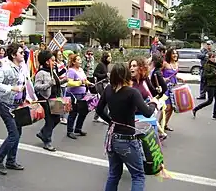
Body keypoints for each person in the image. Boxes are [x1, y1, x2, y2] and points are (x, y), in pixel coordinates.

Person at [96, 63, 158, 191]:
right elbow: (147, 112)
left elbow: (99, 110)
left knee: (113, 175)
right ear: (127, 76)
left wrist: (111, 122)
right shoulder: (132, 92)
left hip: (112, 138)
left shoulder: (108, 89)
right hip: (127, 140)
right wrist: (153, 103)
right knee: (138, 176)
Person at [0, 43, 26, 175]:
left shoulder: (22, 67)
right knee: (14, 134)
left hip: (17, 105)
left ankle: (11, 161)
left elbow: (23, 84)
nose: (23, 54)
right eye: (20, 52)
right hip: (6, 105)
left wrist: (25, 96)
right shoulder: (5, 68)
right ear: (13, 55)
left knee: (18, 133)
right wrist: (11, 88)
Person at [35, 50, 66, 151]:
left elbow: (56, 83)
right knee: (50, 120)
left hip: (56, 98)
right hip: (46, 99)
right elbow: (37, 87)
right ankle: (47, 141)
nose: (55, 62)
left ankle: (43, 133)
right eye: (53, 60)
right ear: (47, 62)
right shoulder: (41, 73)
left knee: (57, 119)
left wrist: (63, 81)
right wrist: (48, 84)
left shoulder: (53, 70)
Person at [66, 54, 94, 139]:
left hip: (83, 94)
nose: (80, 61)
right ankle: (70, 131)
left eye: (80, 59)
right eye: (78, 60)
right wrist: (80, 83)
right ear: (74, 62)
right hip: (74, 95)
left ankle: (78, 128)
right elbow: (69, 83)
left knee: (84, 112)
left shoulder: (81, 70)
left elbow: (84, 80)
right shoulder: (71, 71)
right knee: (73, 113)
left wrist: (89, 83)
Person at [158, 48, 183, 132]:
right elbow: (157, 73)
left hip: (174, 87)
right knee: (167, 107)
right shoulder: (165, 64)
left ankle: (165, 125)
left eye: (176, 53)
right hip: (166, 88)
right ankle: (158, 123)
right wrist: (163, 79)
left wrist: (179, 78)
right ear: (169, 55)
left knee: (172, 108)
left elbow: (174, 75)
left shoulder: (176, 64)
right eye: (173, 53)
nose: (175, 55)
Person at [192, 52, 216, 120]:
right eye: (213, 57)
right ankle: (195, 109)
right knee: (209, 101)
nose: (214, 58)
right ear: (209, 58)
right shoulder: (207, 65)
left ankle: (215, 115)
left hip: (215, 84)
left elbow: (214, 75)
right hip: (210, 85)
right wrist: (214, 74)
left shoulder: (214, 65)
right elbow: (205, 76)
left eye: (215, 57)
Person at [93, 51, 112, 123]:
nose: (111, 58)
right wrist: (105, 75)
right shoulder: (100, 65)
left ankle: (96, 116)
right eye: (109, 56)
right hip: (100, 84)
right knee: (105, 100)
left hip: (105, 84)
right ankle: (104, 116)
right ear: (105, 57)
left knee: (102, 100)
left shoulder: (106, 65)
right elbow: (95, 74)